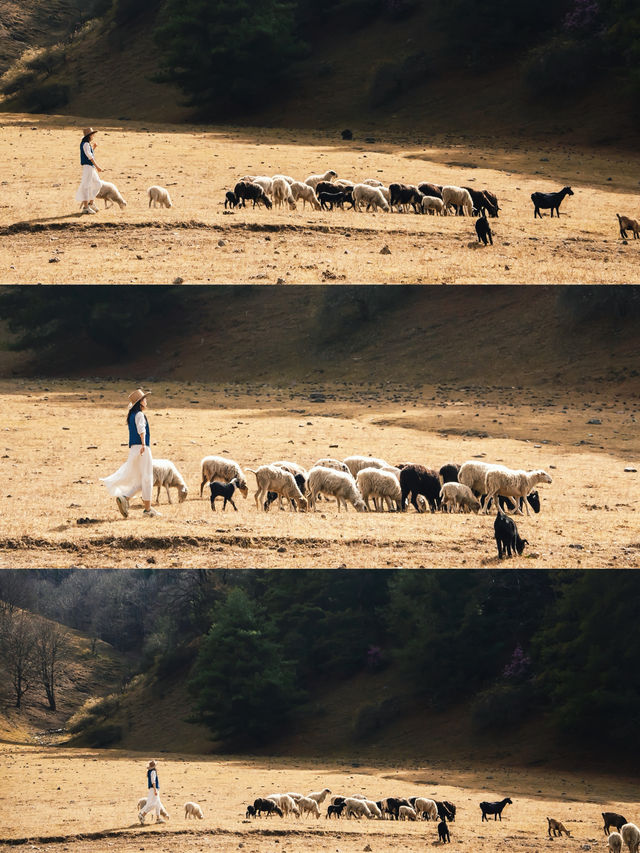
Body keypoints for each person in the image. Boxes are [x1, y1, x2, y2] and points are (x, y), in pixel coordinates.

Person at [100, 389, 161, 518]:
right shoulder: (139, 415)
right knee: (147, 477)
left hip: (134, 448)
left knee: (140, 479)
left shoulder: (132, 415)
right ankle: (147, 510)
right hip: (142, 448)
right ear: (140, 402)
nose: (146, 401)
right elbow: (141, 429)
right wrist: (144, 444)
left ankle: (125, 498)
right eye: (144, 399)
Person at [75, 126, 103, 214]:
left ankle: (91, 203)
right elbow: (90, 156)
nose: (93, 137)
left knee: (97, 183)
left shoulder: (86, 144)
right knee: (86, 186)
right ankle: (86, 207)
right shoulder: (86, 144)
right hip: (88, 167)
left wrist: (94, 148)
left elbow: (88, 154)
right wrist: (97, 166)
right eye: (92, 135)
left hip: (90, 167)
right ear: (89, 136)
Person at [138, 759, 166, 824]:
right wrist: (155, 790)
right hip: (154, 789)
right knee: (153, 804)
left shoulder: (150, 771)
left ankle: (158, 818)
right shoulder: (153, 772)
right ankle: (142, 814)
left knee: (158, 804)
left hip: (153, 789)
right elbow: (153, 781)